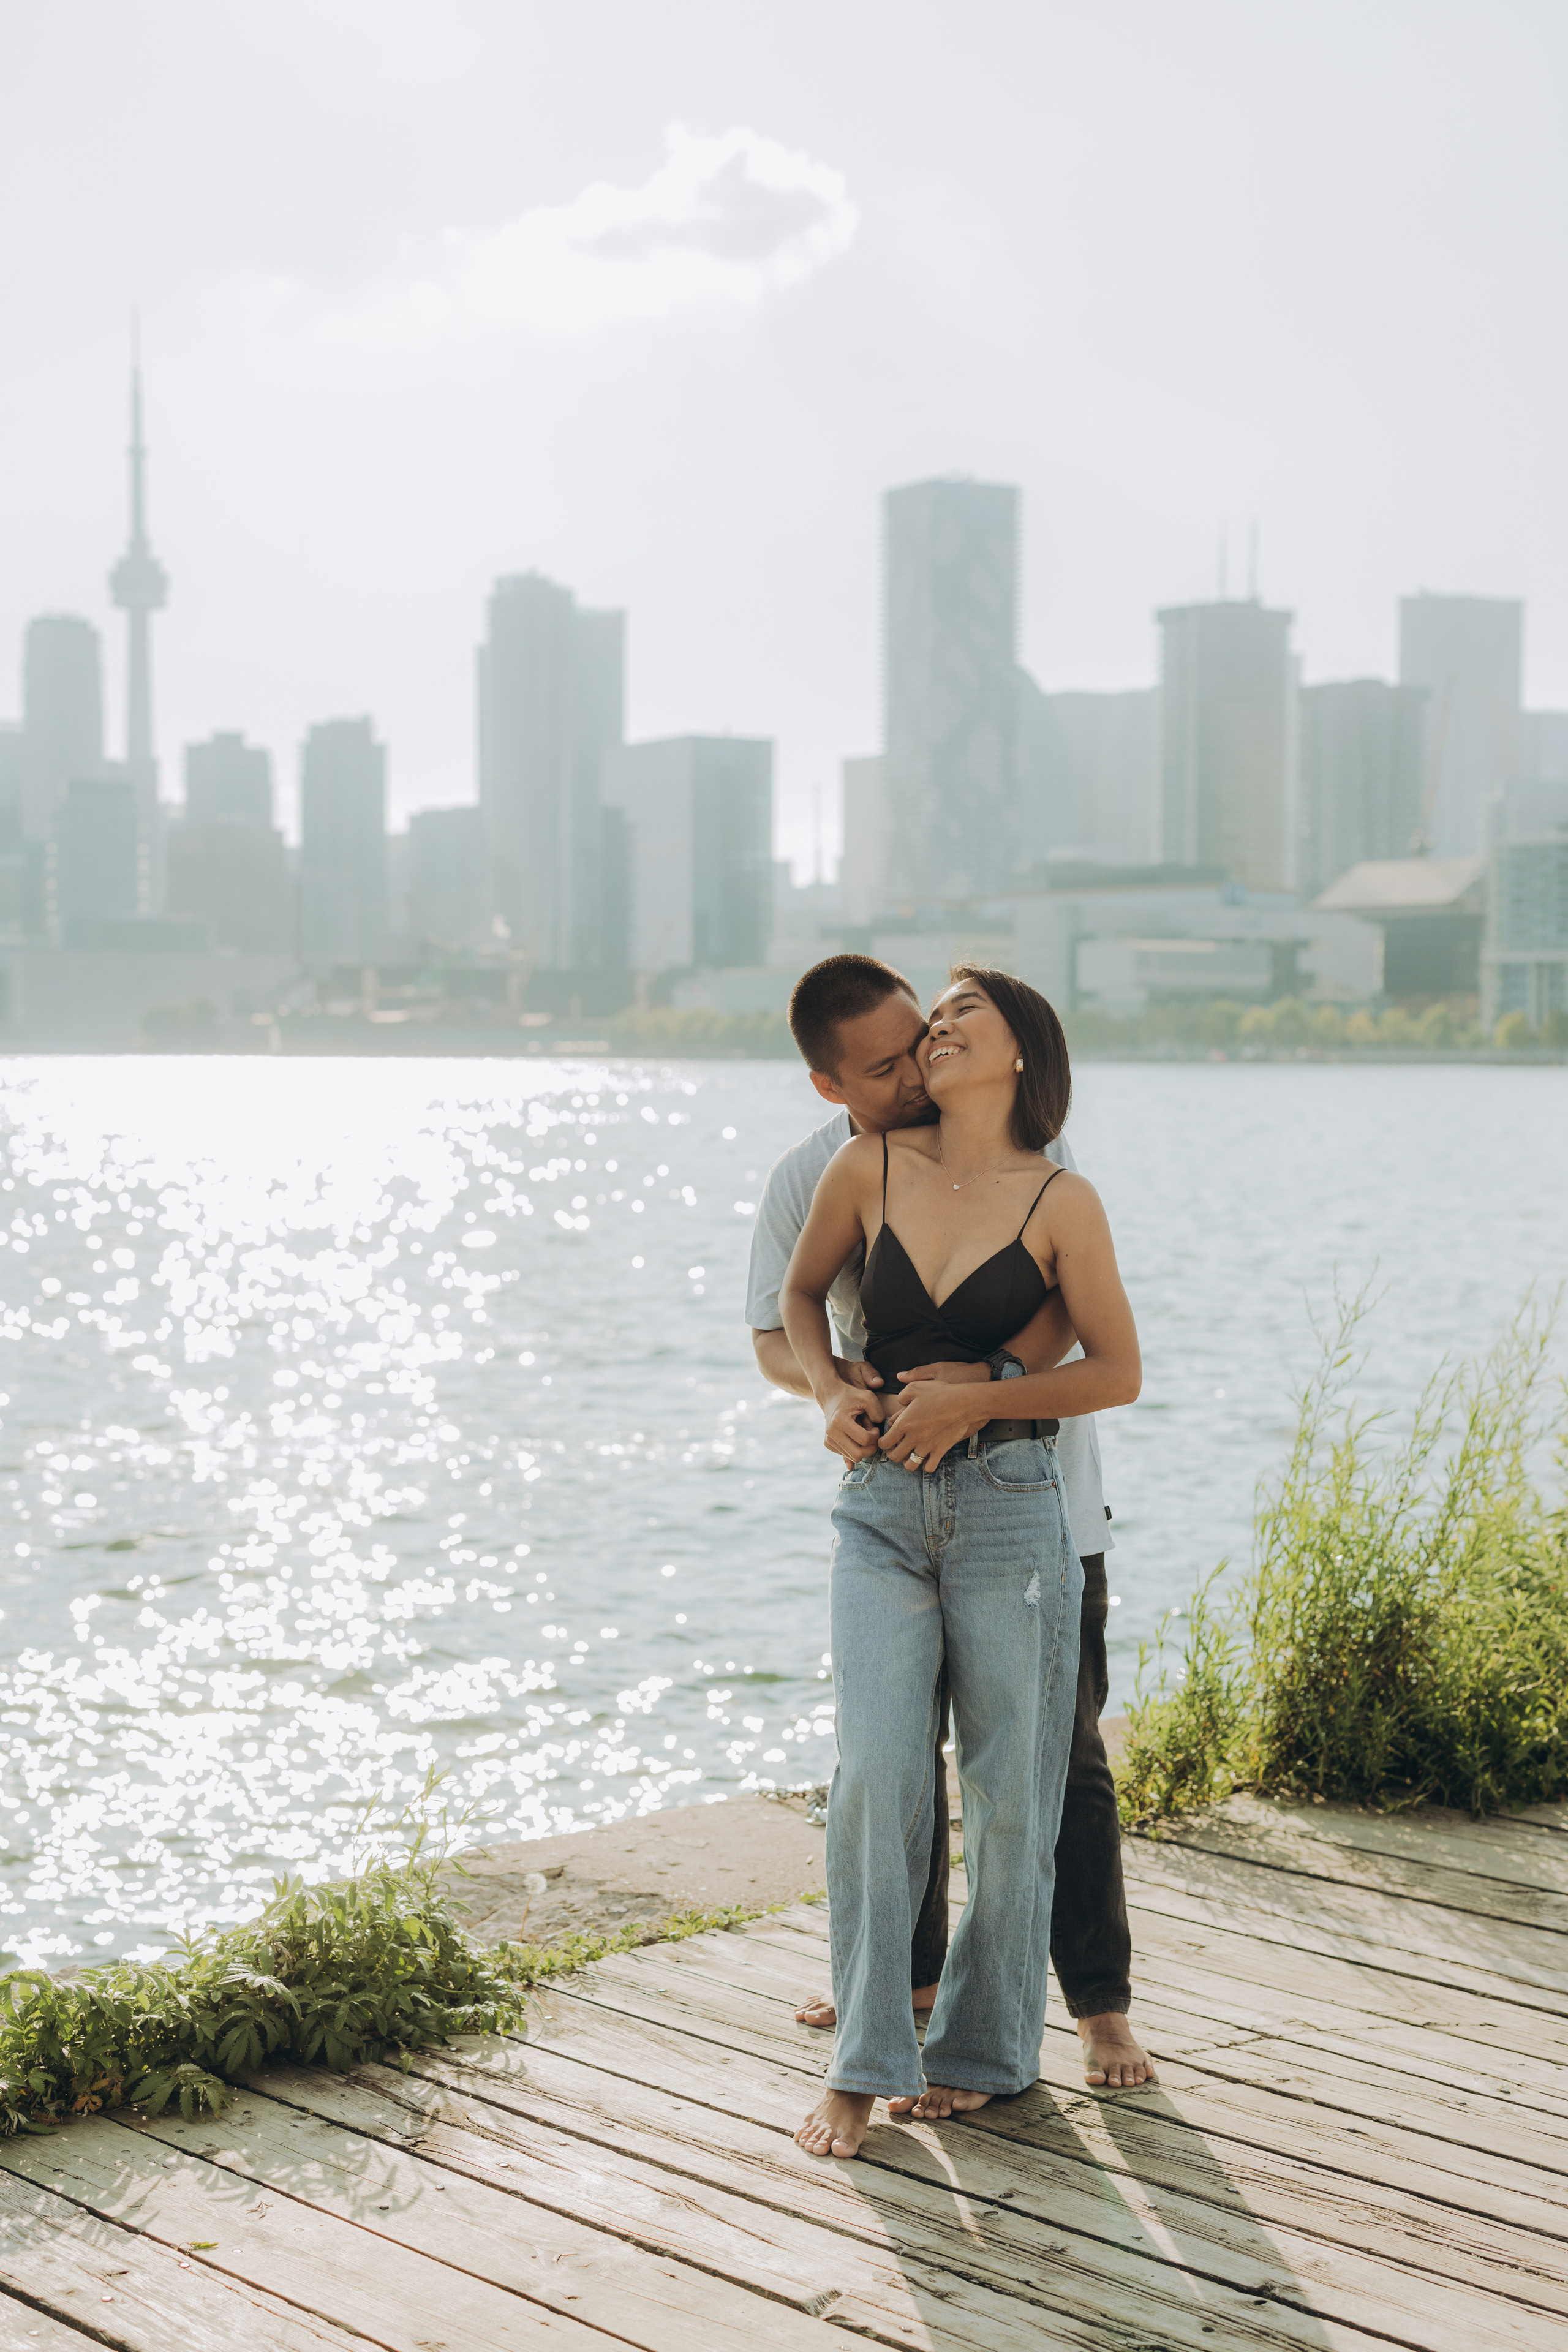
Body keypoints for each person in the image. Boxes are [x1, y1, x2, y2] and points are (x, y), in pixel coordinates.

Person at [745, 954, 1151, 2102]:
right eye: (888, 1061)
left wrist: (986, 1379)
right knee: (885, 1763)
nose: (920, 1061)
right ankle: (896, 2001)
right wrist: (837, 1396)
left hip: (1036, 1502)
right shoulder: (829, 1171)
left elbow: (1080, 1313)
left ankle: (1090, 2008)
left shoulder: (1044, 1163)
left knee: (1048, 1770)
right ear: (835, 1087)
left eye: (929, 1028)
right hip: (888, 1498)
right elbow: (783, 1320)